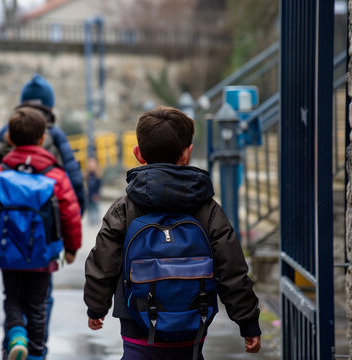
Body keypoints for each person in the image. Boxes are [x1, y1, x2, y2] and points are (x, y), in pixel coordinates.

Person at [84, 106, 261, 359]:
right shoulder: (208, 209)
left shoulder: (124, 208)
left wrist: (96, 307)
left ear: (138, 154)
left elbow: (103, 262)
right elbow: (232, 269)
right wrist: (248, 322)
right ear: (187, 153)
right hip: (193, 325)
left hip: (137, 325)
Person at [0, 107, 82, 360]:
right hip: (42, 256)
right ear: (42, 139)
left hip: (7, 253)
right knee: (37, 305)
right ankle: (34, 353)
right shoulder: (55, 175)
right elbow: (70, 213)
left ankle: (17, 335)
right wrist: (72, 248)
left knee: (12, 298)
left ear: (9, 139)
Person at [0, 73, 86, 214]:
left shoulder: (6, 132)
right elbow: (74, 179)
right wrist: (78, 211)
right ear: (50, 107)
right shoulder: (56, 135)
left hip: (6, 220)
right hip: (46, 223)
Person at [85, 157, 102, 225]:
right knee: (90, 208)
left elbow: (99, 186)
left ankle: (96, 219)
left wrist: (97, 194)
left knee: (95, 207)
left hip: (95, 195)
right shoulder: (87, 175)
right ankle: (91, 219)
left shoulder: (97, 176)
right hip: (88, 195)